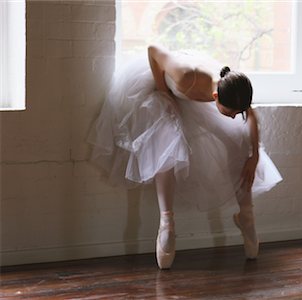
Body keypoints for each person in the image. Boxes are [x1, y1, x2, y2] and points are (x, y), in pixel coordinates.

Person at [88, 44, 282, 269]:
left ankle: (247, 218)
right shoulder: (185, 77)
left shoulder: (232, 86)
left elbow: (249, 115)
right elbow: (153, 51)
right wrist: (164, 94)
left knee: (240, 141)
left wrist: (254, 156)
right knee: (167, 144)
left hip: (192, 97)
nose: (233, 117)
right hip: (160, 91)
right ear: (215, 97)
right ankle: (167, 224)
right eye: (229, 113)